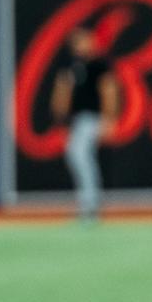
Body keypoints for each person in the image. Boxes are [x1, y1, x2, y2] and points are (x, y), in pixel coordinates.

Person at [50, 28, 118, 220]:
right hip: (78, 119)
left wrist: (109, 118)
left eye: (83, 41)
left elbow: (109, 90)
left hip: (93, 117)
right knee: (79, 156)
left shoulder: (99, 64)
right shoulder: (73, 65)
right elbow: (63, 91)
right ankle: (89, 202)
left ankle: (90, 203)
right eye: (76, 43)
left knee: (78, 154)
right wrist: (60, 114)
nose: (80, 46)